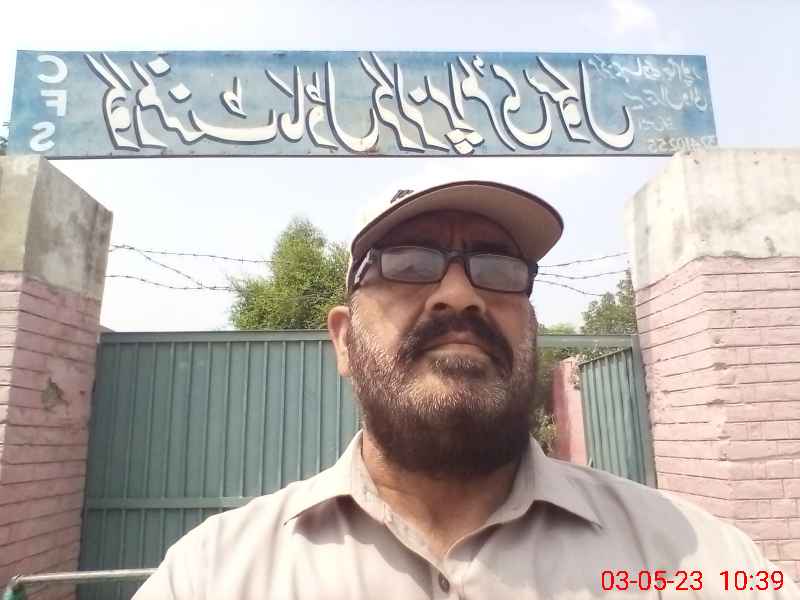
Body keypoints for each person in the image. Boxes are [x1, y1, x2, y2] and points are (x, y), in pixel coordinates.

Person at [133, 180, 797, 599]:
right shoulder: (211, 576)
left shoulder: (703, 563)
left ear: (530, 327)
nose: (460, 293)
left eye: (497, 268)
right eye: (408, 263)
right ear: (343, 341)